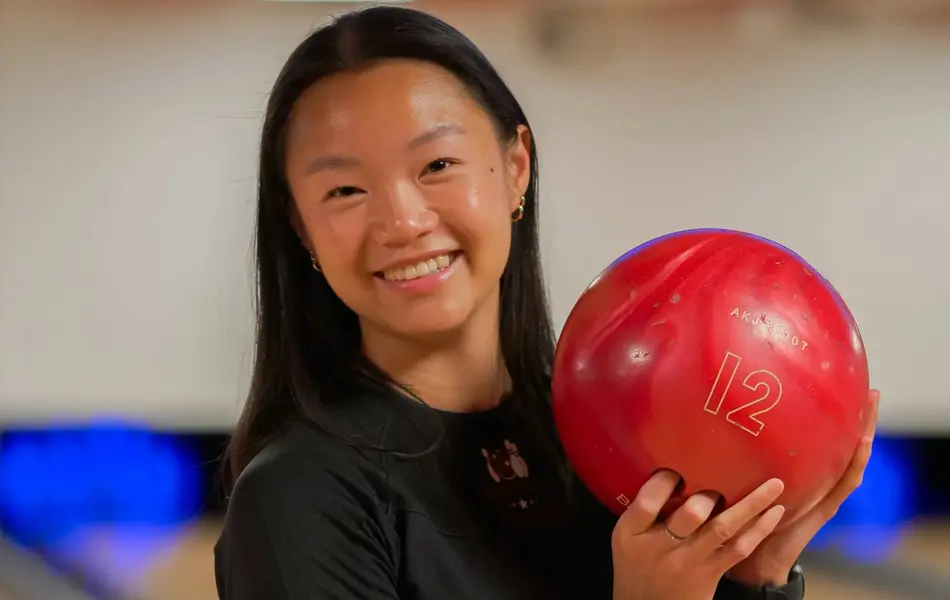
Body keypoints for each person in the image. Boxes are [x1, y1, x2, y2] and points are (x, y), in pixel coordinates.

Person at [213, 6, 879, 599]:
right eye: (345, 191)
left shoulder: (611, 439)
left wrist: (752, 579)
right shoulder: (298, 501)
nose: (402, 221)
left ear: (516, 168)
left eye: (437, 166)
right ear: (301, 228)